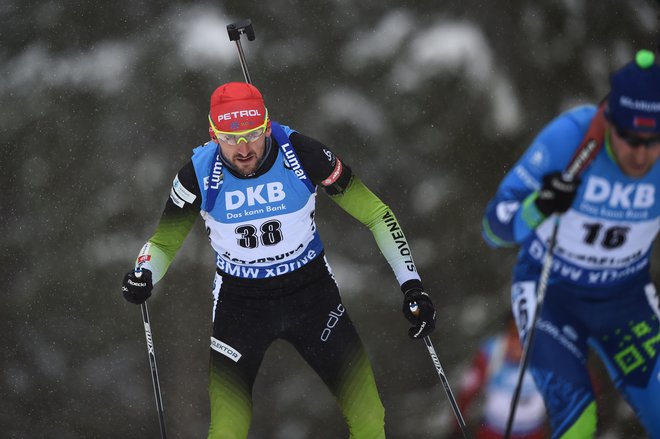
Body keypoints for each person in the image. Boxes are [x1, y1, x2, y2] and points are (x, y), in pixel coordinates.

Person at [120, 81, 436, 438]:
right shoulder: (198, 173)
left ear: (267, 125)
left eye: (252, 135)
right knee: (227, 428)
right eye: (228, 138)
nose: (242, 149)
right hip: (240, 304)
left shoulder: (302, 154)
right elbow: (162, 243)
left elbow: (377, 215)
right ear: (213, 135)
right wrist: (144, 273)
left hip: (311, 294)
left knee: (368, 414)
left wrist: (412, 286)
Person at [481, 48, 660, 438]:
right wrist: (539, 205)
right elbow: (494, 228)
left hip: (625, 299)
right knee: (577, 418)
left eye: (652, 141)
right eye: (629, 138)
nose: (640, 154)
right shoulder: (571, 138)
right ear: (610, 120)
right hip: (551, 295)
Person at [453, 315, 548, 439]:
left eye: (525, 334)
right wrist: (457, 426)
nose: (518, 341)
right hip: (493, 432)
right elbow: (468, 390)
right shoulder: (492, 351)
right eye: (514, 332)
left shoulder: (543, 354)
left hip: (534, 433)